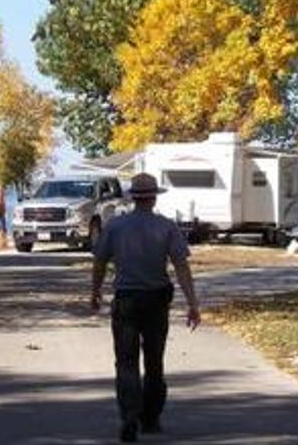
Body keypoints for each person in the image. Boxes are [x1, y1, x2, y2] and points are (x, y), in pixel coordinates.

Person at [91, 172, 201, 443]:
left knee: (126, 360)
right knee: (154, 360)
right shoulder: (166, 227)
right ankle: (150, 418)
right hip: (156, 299)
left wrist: (95, 291)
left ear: (133, 198)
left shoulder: (116, 226)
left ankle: (129, 415)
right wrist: (192, 303)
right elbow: (181, 266)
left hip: (126, 298)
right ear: (153, 198)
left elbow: (100, 261)